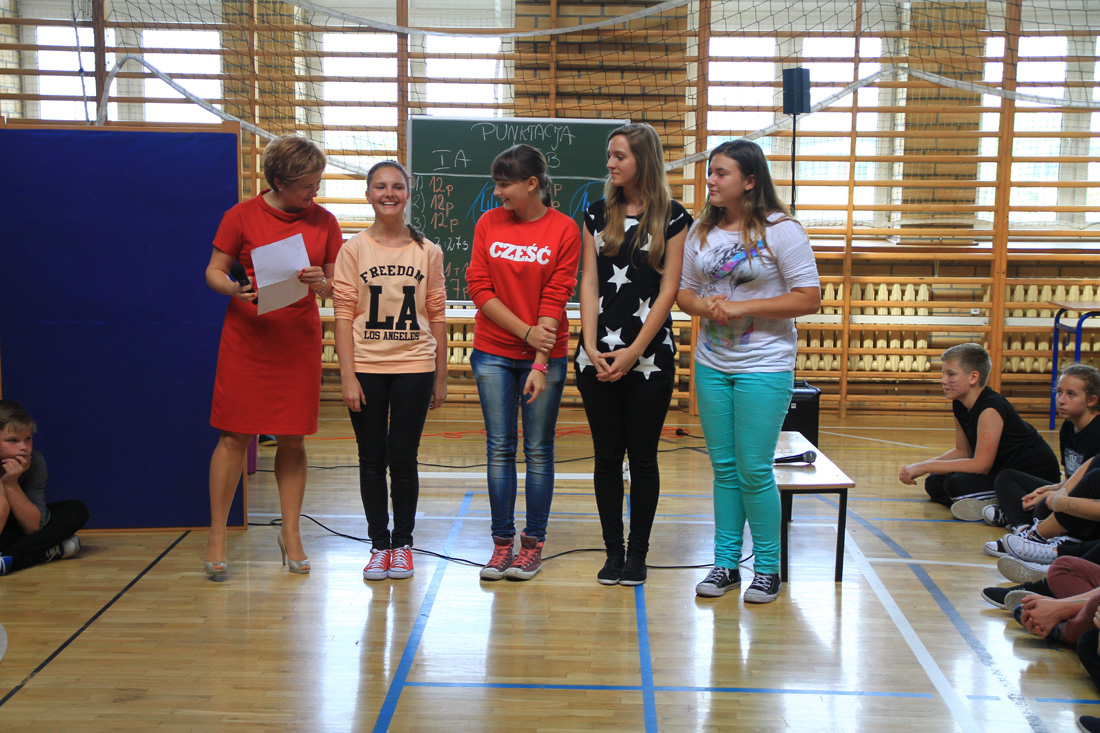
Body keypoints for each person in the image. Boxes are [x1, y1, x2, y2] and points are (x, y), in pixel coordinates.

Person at [676, 139, 821, 603]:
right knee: (724, 469)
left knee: (754, 469)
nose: (710, 180)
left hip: (765, 364)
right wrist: (706, 308)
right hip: (712, 364)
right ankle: (725, 565)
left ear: (750, 181)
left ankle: (767, 568)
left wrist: (741, 308)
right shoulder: (702, 230)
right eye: (710, 172)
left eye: (721, 173)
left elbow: (809, 297)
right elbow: (685, 292)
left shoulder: (782, 230)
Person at [203, 135, 343, 578]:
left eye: (317, 183)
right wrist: (233, 289)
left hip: (297, 340)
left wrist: (322, 283)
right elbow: (214, 270)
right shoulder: (241, 215)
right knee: (233, 437)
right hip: (248, 338)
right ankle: (217, 536)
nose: (314, 192)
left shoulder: (326, 222)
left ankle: (292, 533)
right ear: (280, 182)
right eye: (307, 185)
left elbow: (336, 286)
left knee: (293, 439)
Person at [575, 123, 692, 586]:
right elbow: (588, 281)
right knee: (606, 458)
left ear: (643, 159)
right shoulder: (595, 213)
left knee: (642, 459)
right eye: (609, 155)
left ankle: (637, 553)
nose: (610, 163)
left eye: (619, 156)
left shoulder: (675, 217)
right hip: (597, 356)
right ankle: (613, 552)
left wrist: (635, 350)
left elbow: (669, 288)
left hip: (649, 357)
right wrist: (589, 344)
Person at [466, 143, 581, 581]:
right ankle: (501, 545)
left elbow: (557, 293)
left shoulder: (564, 229)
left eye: (504, 184)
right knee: (499, 447)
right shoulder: (488, 223)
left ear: (532, 184)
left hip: (543, 356)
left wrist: (538, 360)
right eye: (496, 184)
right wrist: (525, 333)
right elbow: (479, 287)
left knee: (538, 449)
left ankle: (532, 546)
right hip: (493, 352)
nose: (497, 193)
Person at [333, 161, 447, 582]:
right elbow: (342, 315)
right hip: (366, 366)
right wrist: (347, 375)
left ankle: (403, 545)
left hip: (414, 365)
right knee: (370, 457)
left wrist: (440, 376)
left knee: (403, 457)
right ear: (368, 195)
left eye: (397, 186)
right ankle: (378, 545)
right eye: (380, 187)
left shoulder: (428, 251)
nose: (389, 193)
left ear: (407, 194)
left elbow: (437, 315)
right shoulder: (353, 249)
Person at [898, 343, 1060, 515]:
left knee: (955, 484)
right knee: (935, 482)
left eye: (950, 374)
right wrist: (923, 466)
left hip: (1032, 477)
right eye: (943, 373)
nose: (943, 380)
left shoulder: (990, 407)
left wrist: (926, 466)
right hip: (1001, 470)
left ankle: (1004, 507)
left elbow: (982, 465)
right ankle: (989, 503)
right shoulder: (959, 404)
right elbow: (963, 451)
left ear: (973, 377)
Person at [971, 364, 1100, 533]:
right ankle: (1023, 526)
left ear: (1091, 400)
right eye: (1059, 392)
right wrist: (1051, 488)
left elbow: (1088, 488)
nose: (1061, 400)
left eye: (1071, 394)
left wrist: (1053, 494)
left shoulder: (1096, 431)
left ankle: (1018, 518)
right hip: (1068, 492)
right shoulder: (1068, 427)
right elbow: (1070, 478)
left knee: (1043, 506)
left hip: (1086, 503)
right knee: (1007, 477)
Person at [0, 400, 89, 575]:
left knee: (76, 510)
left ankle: (10, 559)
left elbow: (33, 526)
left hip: (17, 525)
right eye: (13, 440)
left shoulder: (34, 461)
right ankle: (44, 551)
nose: (24, 448)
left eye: (28, 439)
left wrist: (11, 484)